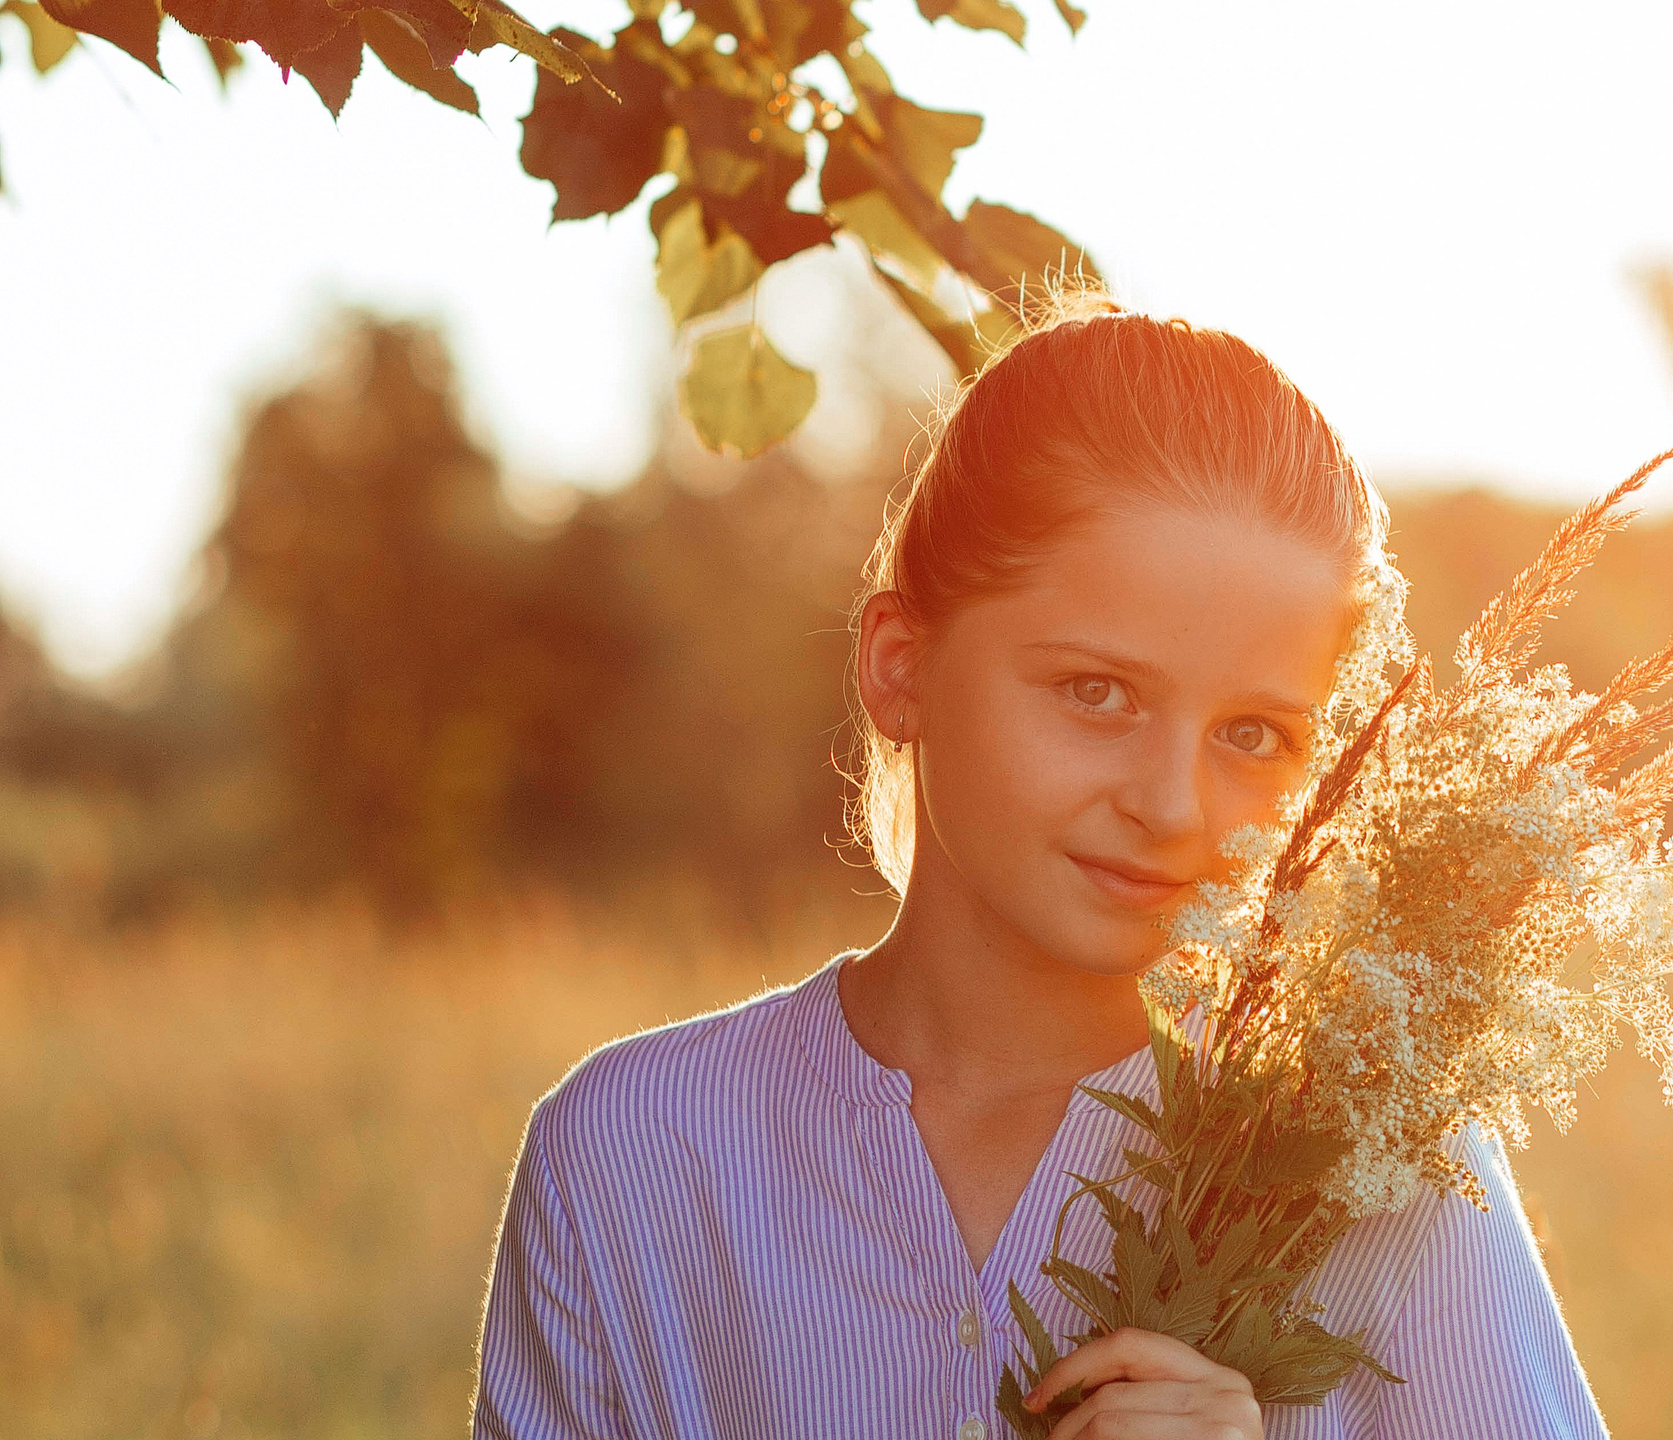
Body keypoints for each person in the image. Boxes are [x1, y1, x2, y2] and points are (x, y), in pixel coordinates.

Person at [470, 295, 1612, 1439]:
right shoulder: (627, 1157)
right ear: (900, 667)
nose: (1172, 806)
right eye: (1095, 693)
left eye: (1253, 733)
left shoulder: (1376, 1158)